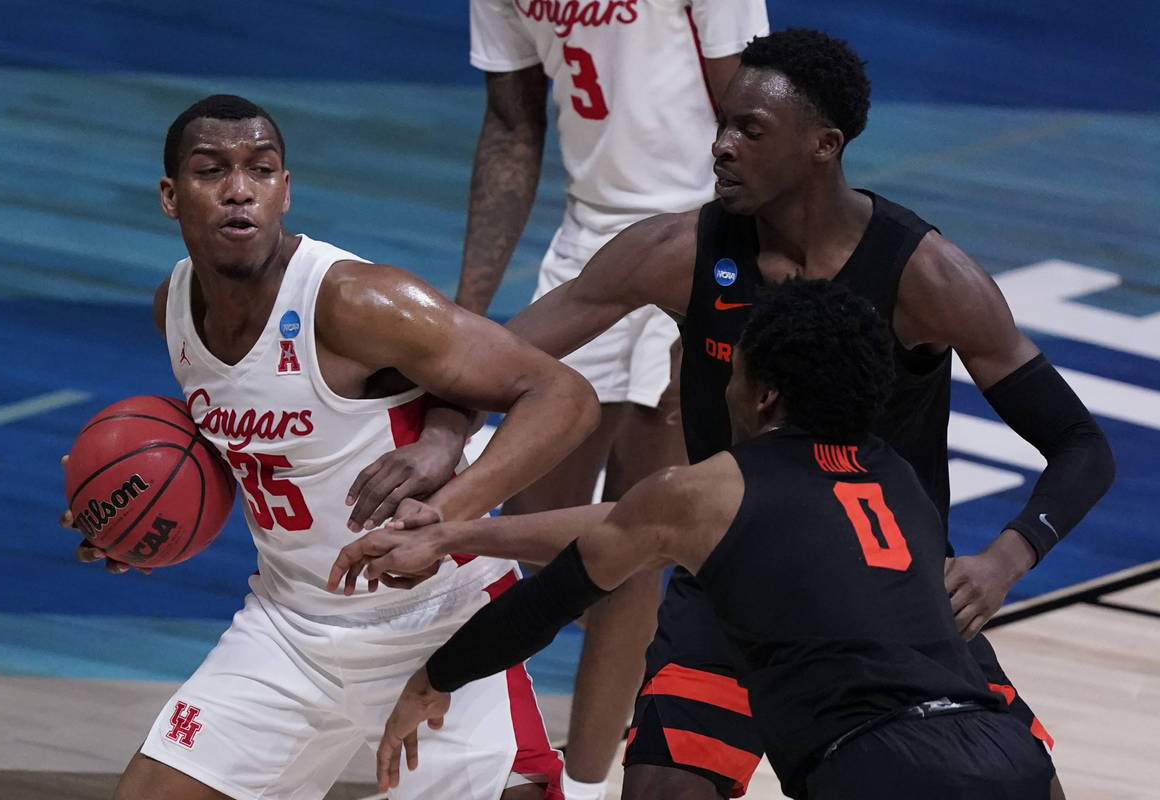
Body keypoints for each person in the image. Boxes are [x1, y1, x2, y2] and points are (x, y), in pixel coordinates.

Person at [354, 28, 1116, 799]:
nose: (719, 146)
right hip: (725, 575)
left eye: (748, 129)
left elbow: (1082, 444)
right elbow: (495, 359)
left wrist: (1004, 560)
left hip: (881, 594)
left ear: (824, 144)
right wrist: (445, 437)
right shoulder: (675, 250)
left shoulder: (929, 276)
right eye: (720, 122)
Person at [59, 94, 600, 800]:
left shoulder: (357, 302)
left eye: (261, 169)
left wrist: (445, 513)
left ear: (286, 190)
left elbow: (564, 398)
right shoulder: (175, 309)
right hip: (288, 628)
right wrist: (132, 516)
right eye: (210, 170)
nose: (238, 189)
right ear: (170, 196)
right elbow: (250, 441)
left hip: (438, 626)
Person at [343, 279, 1058, 799]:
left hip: (880, 768)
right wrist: (463, 532)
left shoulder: (709, 488)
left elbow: (556, 595)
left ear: (765, 393)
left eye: (733, 372)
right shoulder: (896, 476)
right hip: (1005, 752)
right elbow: (623, 522)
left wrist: (433, 679)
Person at [459, 5, 769, 795]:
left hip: (699, 243)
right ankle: (506, 751)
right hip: (587, 247)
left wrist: (727, 293)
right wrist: (463, 326)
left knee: (643, 535)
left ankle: (588, 782)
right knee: (536, 534)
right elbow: (511, 126)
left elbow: (759, 117)